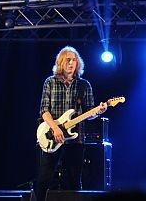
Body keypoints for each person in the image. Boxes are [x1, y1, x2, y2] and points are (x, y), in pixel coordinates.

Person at [35, 46, 107, 201]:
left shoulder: (84, 85)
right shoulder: (50, 82)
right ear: (61, 62)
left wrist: (98, 111)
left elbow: (89, 113)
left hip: (76, 139)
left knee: (74, 180)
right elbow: (44, 110)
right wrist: (55, 128)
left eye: (74, 60)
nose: (71, 63)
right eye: (68, 60)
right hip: (51, 135)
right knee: (44, 178)